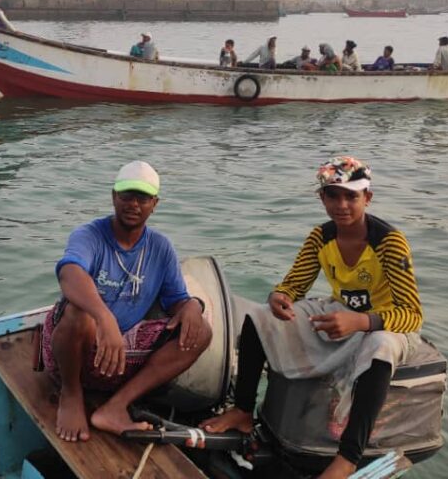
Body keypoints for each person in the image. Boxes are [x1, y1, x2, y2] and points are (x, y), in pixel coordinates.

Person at [200, 156, 423, 479]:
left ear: (367, 198)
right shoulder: (321, 237)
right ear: (322, 198)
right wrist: (279, 298)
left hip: (385, 325)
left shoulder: (389, 242)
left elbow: (412, 314)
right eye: (333, 195)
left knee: (380, 346)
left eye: (351, 196)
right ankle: (244, 410)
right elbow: (293, 285)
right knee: (260, 318)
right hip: (343, 316)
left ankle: (347, 458)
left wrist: (361, 322)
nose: (341, 205)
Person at [43, 161, 211, 442]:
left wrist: (193, 305)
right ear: (113, 197)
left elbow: (176, 301)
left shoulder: (160, 247)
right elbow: (70, 272)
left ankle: (115, 406)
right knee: (79, 313)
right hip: (73, 351)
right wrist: (103, 317)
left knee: (202, 332)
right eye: (126, 196)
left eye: (142, 198)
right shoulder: (90, 235)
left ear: (154, 203)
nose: (133, 204)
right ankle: (71, 395)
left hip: (122, 352)